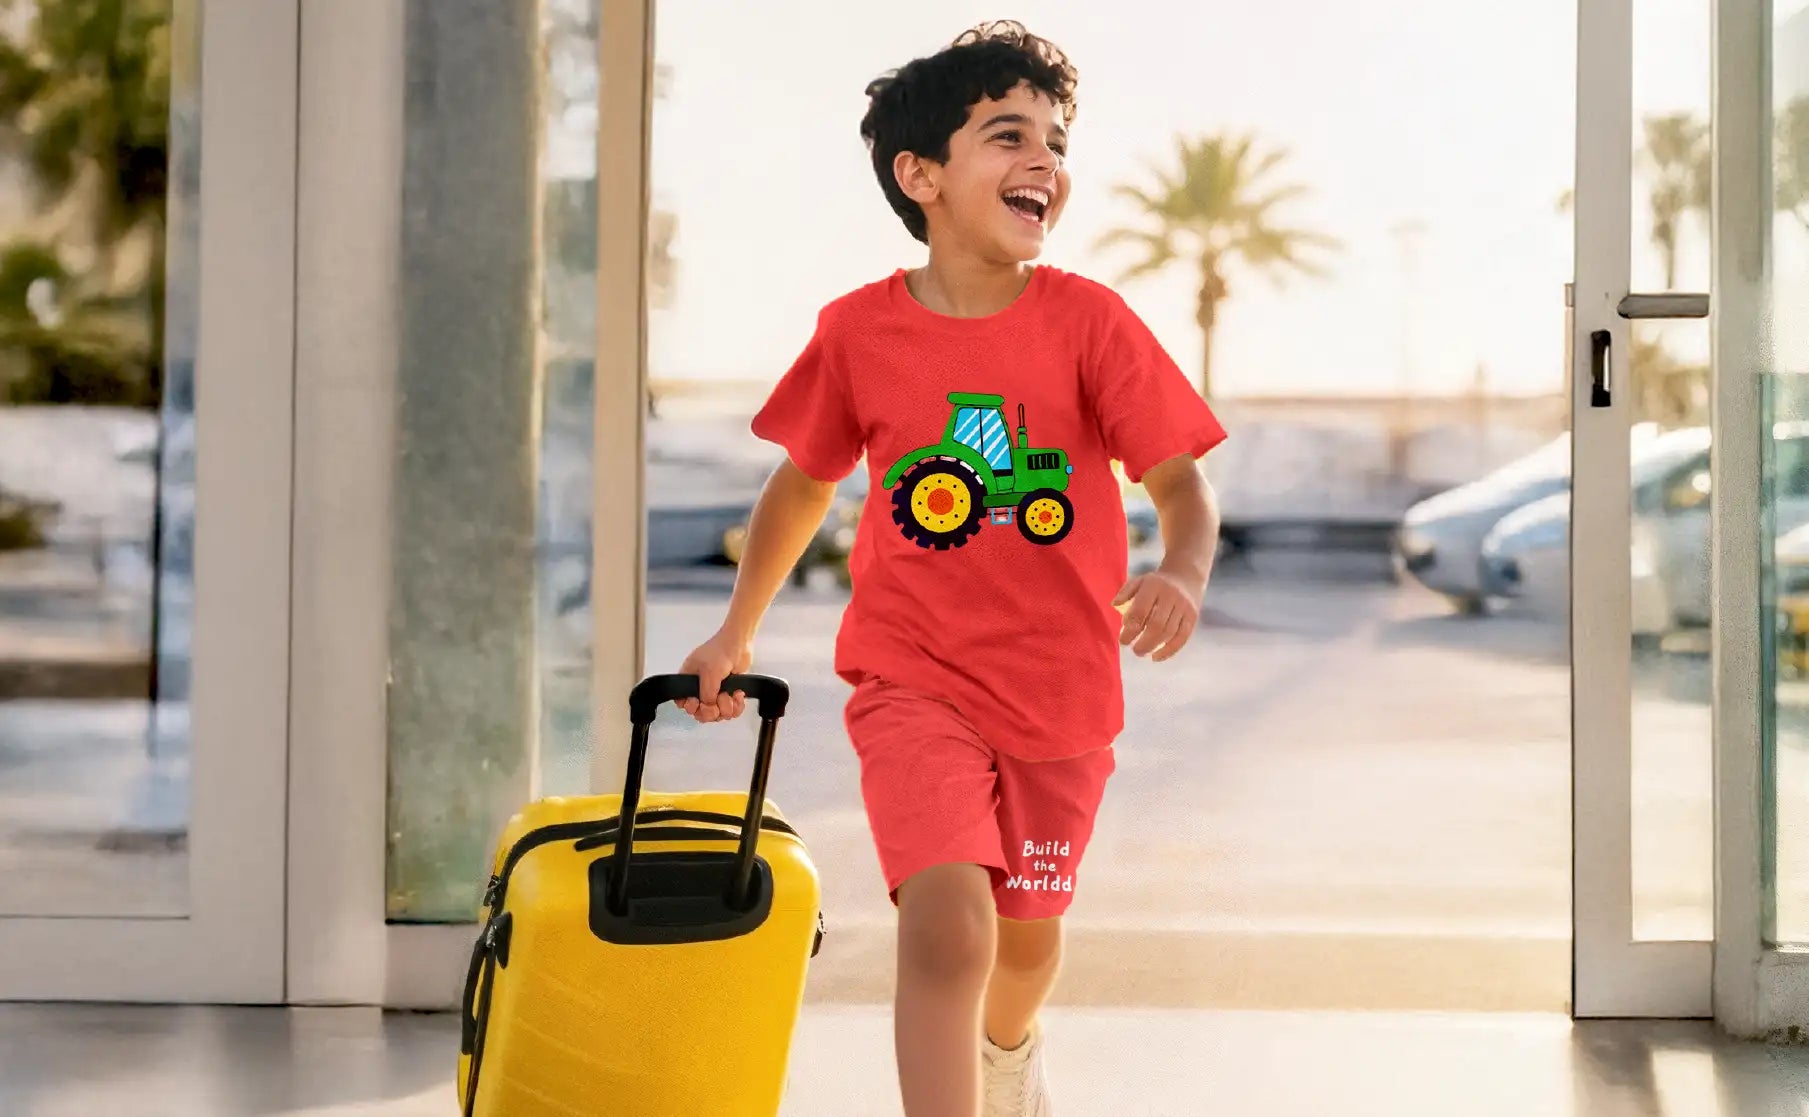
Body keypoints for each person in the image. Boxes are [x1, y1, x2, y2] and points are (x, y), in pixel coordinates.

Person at [674, 20, 1226, 1117]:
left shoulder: (1092, 325)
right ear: (919, 174)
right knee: (946, 922)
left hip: (1062, 692)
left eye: (1057, 143)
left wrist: (1185, 572)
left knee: (1021, 948)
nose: (1045, 161)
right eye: (1007, 134)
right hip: (911, 678)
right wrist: (734, 630)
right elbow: (802, 483)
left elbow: (1180, 484)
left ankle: (1007, 1047)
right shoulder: (858, 333)